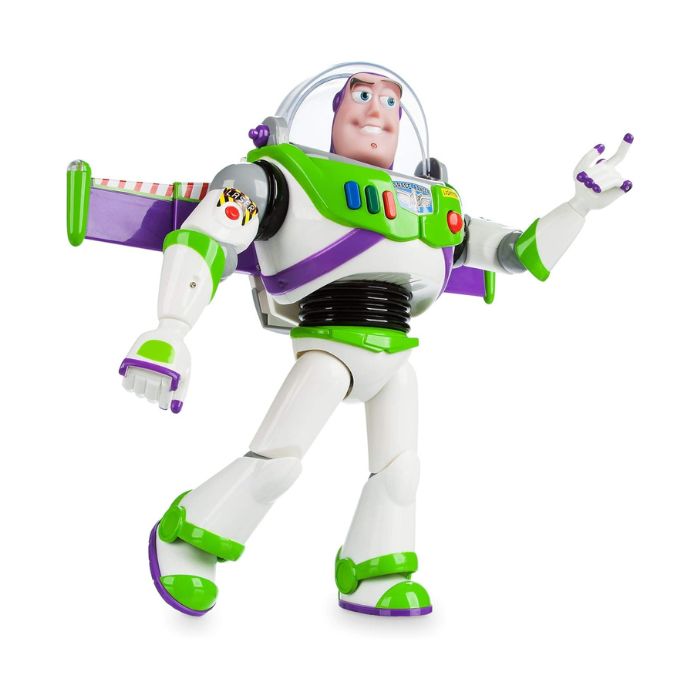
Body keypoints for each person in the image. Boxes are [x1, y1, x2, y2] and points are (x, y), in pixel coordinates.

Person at [114, 65, 634, 617]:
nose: (376, 111)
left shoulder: (433, 203)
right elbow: (207, 237)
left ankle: (373, 569)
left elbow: (517, 253)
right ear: (333, 112)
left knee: (401, 470)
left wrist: (576, 209)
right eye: (362, 95)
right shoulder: (279, 178)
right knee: (277, 463)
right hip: (327, 346)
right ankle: (190, 534)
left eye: (391, 103)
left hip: (395, 354)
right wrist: (170, 329)